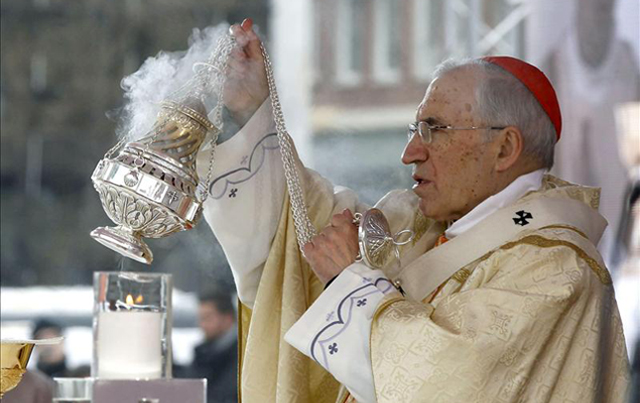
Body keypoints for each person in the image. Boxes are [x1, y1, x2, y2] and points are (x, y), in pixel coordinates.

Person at [197, 18, 630, 402]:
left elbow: (447, 382)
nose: (410, 153)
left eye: (435, 130)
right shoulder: (414, 226)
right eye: (414, 129)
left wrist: (349, 283)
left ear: (505, 148)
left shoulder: (554, 269)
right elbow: (300, 222)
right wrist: (252, 110)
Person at [182, 288, 238, 403]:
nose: (202, 324)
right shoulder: (203, 351)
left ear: (228, 319)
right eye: (201, 318)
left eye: (207, 318)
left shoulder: (239, 356)